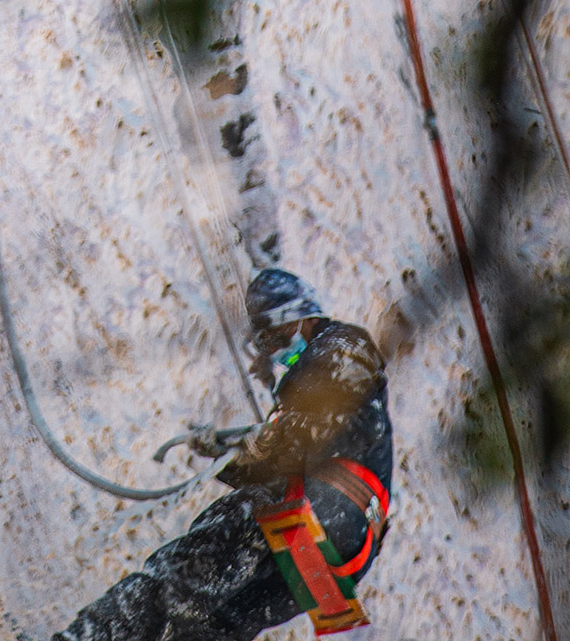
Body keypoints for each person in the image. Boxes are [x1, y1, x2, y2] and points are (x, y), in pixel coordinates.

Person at [53, 270, 393, 641]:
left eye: (275, 336)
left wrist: (272, 435)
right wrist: (229, 452)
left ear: (302, 317)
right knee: (214, 626)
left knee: (180, 578)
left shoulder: (343, 345)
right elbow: (292, 454)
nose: (274, 349)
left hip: (329, 514)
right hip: (339, 555)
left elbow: (343, 425)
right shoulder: (315, 392)